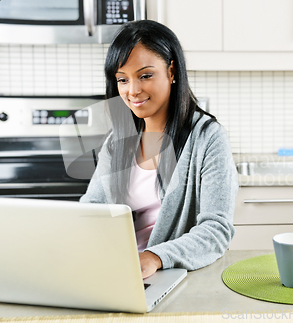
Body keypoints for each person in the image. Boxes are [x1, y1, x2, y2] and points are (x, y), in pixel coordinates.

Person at [79, 20, 238, 279]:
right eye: (122, 79)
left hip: (173, 276)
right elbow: (92, 209)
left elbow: (216, 230)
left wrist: (154, 257)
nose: (133, 90)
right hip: (118, 273)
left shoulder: (208, 138)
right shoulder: (116, 142)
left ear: (172, 71)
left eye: (145, 75)